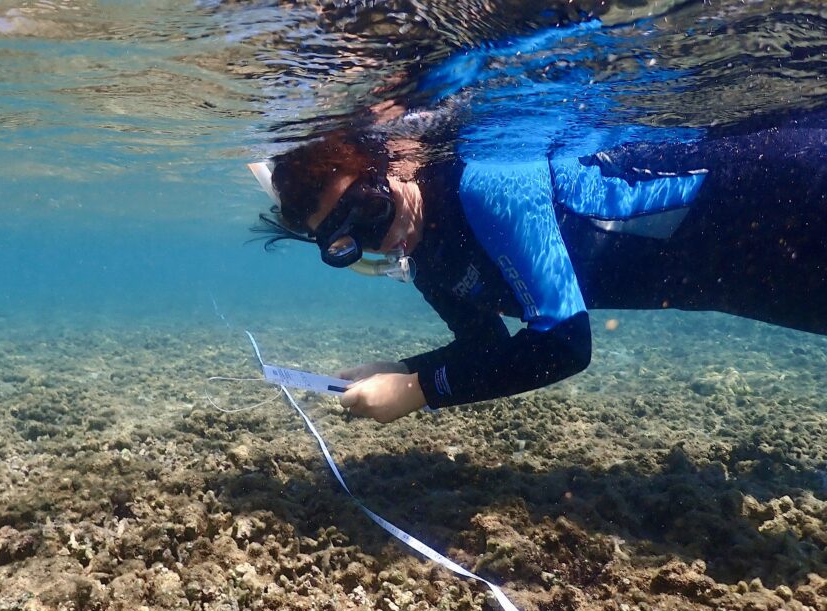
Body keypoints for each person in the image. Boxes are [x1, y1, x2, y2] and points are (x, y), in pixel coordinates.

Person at [249, 109, 827, 424]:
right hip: (744, 274)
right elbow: (483, 348)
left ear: (394, 168)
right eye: (346, 245)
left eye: (371, 211)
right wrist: (401, 369)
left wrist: (419, 389)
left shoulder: (486, 185)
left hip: (779, 189)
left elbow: (564, 344)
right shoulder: (425, 255)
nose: (380, 241)